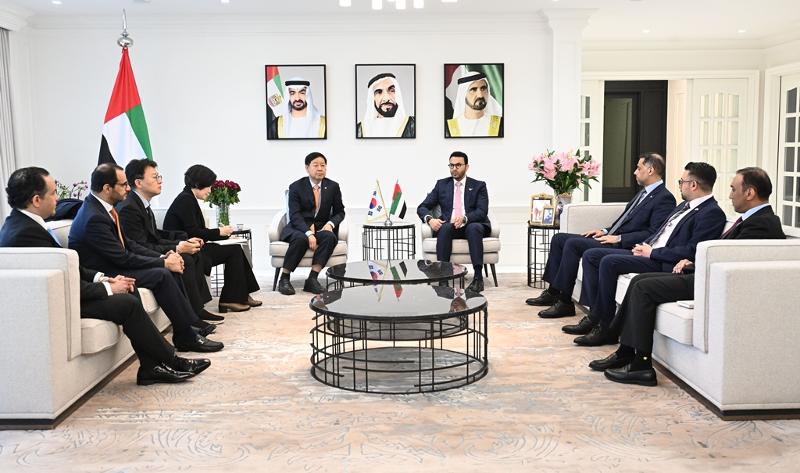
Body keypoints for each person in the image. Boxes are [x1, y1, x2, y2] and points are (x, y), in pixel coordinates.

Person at [0, 167, 211, 385]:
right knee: (128, 302)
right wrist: (109, 287)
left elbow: (71, 268)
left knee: (130, 291)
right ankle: (169, 361)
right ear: (36, 200)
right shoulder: (25, 234)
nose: (58, 199)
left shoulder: (26, 225)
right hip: (61, 304)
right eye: (53, 193)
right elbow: (62, 284)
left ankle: (153, 366)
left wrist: (102, 279)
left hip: (72, 290)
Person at [590, 167, 785, 386]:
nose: (730, 195)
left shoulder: (762, 223)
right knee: (638, 282)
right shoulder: (755, 219)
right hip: (706, 276)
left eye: (733, 189)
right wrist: (692, 262)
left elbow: (732, 262)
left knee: (643, 288)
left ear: (749, 193)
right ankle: (626, 352)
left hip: (711, 283)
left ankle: (641, 366)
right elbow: (725, 256)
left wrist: (693, 264)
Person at [68, 164, 224, 353]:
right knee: (162, 273)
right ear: (107, 188)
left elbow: (130, 244)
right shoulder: (95, 217)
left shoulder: (105, 209)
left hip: (115, 264)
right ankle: (187, 335)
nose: (128, 188)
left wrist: (164, 256)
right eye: (123, 185)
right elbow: (123, 257)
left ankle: (187, 331)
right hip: (106, 271)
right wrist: (163, 262)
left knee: (166, 270)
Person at [568, 162, 727, 346]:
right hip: (649, 251)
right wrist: (645, 245)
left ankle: (604, 327)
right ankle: (595, 317)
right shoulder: (684, 206)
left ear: (693, 185)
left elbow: (692, 250)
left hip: (663, 261)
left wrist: (652, 252)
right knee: (594, 255)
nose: (679, 185)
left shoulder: (712, 213)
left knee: (609, 262)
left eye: (681, 181)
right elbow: (660, 232)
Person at [528, 153, 676, 318]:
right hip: (611, 237)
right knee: (559, 238)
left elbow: (653, 233)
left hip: (623, 245)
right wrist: (605, 231)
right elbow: (624, 221)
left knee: (573, 244)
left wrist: (618, 238)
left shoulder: (664, 198)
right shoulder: (643, 193)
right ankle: (553, 291)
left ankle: (564, 302)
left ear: (650, 170)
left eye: (638, 168)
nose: (635, 172)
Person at [117, 159, 222, 322]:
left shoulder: (141, 204)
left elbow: (155, 235)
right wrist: (178, 248)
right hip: (139, 257)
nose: (160, 181)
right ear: (138, 182)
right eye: (155, 177)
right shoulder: (129, 208)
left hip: (149, 249)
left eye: (159, 177)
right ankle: (194, 313)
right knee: (186, 257)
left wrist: (182, 240)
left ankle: (197, 309)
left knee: (192, 253)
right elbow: (140, 245)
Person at [162, 164, 261, 312]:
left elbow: (197, 231)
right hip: (189, 251)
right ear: (197, 184)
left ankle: (241, 295)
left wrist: (222, 234)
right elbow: (193, 232)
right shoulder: (185, 200)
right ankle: (230, 299)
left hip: (196, 246)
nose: (210, 190)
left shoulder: (188, 198)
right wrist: (219, 232)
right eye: (208, 186)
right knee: (234, 251)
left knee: (236, 249)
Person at [417, 151, 491, 293]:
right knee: (444, 228)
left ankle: (478, 278)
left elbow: (482, 211)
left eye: (458, 165)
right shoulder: (442, 185)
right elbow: (423, 207)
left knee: (473, 228)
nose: (454, 169)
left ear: (466, 167)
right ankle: (443, 278)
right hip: (450, 226)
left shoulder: (479, 185)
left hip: (472, 224)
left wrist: (465, 218)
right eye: (451, 165)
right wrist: (430, 219)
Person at [278, 152, 345, 295]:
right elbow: (294, 215)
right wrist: (308, 233)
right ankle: (284, 278)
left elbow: (340, 212)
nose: (320, 168)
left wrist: (330, 224)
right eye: (316, 165)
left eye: (323, 165)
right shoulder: (296, 187)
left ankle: (312, 279)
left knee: (330, 237)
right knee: (301, 239)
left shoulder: (333, 186)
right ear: (307, 168)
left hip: (320, 228)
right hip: (298, 227)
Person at [356, 72, 415, 138]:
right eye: (379, 92)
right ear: (372, 98)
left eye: (392, 90)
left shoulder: (413, 124)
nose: (386, 99)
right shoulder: (359, 130)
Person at [445, 72, 503, 137]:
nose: (480, 95)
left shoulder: (500, 124)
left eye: (483, 89)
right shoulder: (449, 128)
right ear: (463, 94)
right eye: (473, 89)